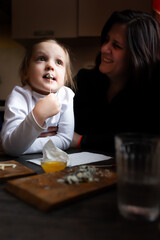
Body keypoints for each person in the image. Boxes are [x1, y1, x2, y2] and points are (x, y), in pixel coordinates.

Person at [71, 9, 160, 154]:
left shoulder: (151, 93)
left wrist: (82, 141)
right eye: (106, 40)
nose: (104, 49)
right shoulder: (84, 80)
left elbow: (139, 142)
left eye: (116, 46)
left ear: (137, 55)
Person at [1, 38, 75, 156]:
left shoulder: (66, 96)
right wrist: (38, 115)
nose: (50, 65)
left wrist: (27, 144)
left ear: (65, 77)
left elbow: (65, 140)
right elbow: (11, 147)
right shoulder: (18, 96)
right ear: (26, 71)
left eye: (59, 62)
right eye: (41, 58)